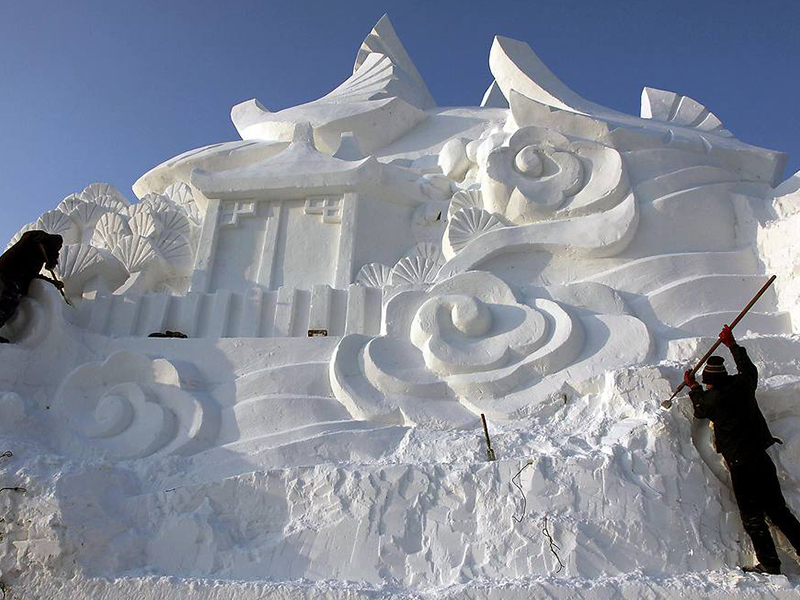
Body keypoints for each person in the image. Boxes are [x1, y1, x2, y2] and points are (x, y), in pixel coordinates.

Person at [684, 324, 800, 574]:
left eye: (707, 384)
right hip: (761, 458)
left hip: (742, 467)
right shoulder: (743, 385)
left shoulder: (713, 399)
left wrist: (693, 388)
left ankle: (770, 564)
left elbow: (700, 409)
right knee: (779, 512)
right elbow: (749, 369)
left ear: (710, 383)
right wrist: (732, 344)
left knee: (753, 518)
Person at [0, 230, 64, 343]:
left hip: (12, 277)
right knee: (9, 300)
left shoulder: (37, 260)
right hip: (5, 272)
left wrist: (53, 282)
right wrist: (38, 237)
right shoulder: (35, 242)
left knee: (10, 302)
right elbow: (29, 236)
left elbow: (33, 275)